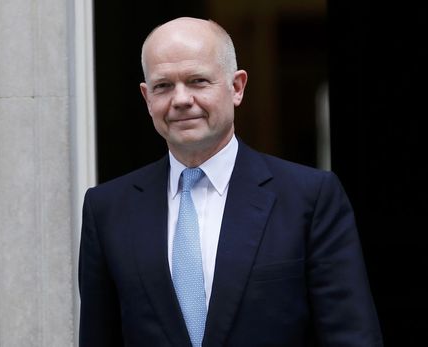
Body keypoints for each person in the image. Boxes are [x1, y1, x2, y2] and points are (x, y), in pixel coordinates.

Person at [78, 17, 383, 347]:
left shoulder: (309, 198)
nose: (180, 99)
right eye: (163, 86)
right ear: (146, 97)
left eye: (197, 81)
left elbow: (352, 337)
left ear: (236, 87)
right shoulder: (107, 209)